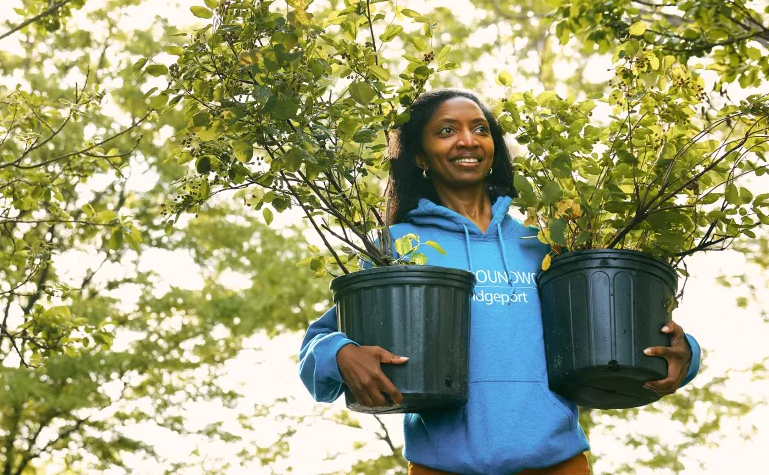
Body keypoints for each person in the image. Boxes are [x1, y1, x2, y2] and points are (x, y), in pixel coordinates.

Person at [298, 88, 701, 475]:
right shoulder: (395, 245)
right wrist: (339, 352)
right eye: (446, 130)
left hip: (556, 464)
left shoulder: (543, 243)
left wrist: (687, 353)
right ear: (420, 156)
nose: (467, 141)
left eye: (480, 129)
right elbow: (316, 347)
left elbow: (620, 322)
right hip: (443, 467)